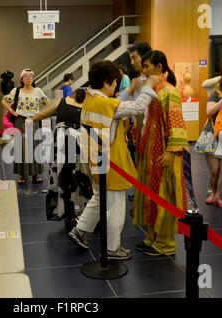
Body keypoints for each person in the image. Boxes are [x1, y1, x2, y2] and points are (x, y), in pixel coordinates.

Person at [68, 60, 159, 260]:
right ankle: (112, 249)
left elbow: (117, 103)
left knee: (99, 198)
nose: (117, 86)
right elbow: (136, 107)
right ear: (107, 83)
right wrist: (149, 86)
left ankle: (80, 230)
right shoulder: (107, 104)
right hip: (112, 162)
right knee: (116, 207)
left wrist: (131, 89)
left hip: (94, 159)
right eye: (115, 82)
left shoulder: (90, 99)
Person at [132, 50, 189, 257]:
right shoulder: (149, 89)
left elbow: (176, 121)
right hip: (148, 150)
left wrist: (171, 151)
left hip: (163, 151)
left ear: (158, 67)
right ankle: (152, 236)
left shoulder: (169, 91)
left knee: (164, 194)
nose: (143, 69)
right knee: (150, 194)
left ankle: (165, 243)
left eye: (147, 66)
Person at [28, 89, 93, 230]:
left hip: (62, 143)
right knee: (83, 178)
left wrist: (31, 119)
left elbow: (44, 113)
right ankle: (86, 214)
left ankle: (68, 216)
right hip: (81, 143)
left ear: (74, 94)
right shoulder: (87, 106)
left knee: (63, 179)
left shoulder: (61, 101)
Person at [1, 68, 49, 185]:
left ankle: (36, 174)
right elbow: (4, 101)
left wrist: (40, 115)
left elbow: (47, 103)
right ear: (22, 79)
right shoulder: (16, 90)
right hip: (20, 121)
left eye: (30, 76)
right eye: (25, 76)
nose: (28, 78)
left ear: (33, 78)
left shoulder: (38, 90)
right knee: (20, 147)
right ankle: (22, 175)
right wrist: (13, 112)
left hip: (34, 121)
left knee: (35, 146)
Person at [200, 69, 222, 209]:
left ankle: (219, 195)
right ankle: (213, 194)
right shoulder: (215, 94)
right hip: (212, 135)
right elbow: (209, 112)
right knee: (214, 171)